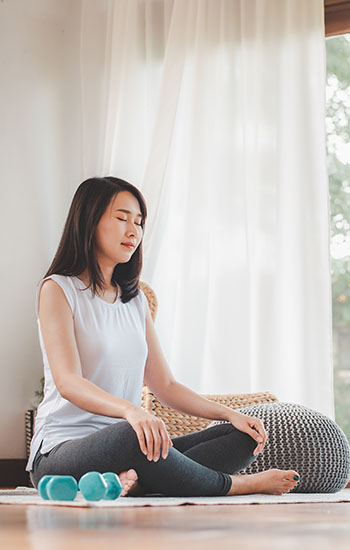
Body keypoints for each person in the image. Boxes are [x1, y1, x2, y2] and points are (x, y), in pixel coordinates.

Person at [26, 176, 300, 497]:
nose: (134, 231)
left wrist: (230, 414)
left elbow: (165, 386)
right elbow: (68, 381)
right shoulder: (59, 289)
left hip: (131, 446)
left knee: (242, 436)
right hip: (62, 450)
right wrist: (131, 411)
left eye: (139, 222)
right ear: (89, 221)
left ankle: (136, 481)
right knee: (131, 436)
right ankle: (235, 486)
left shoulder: (135, 300)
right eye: (121, 218)